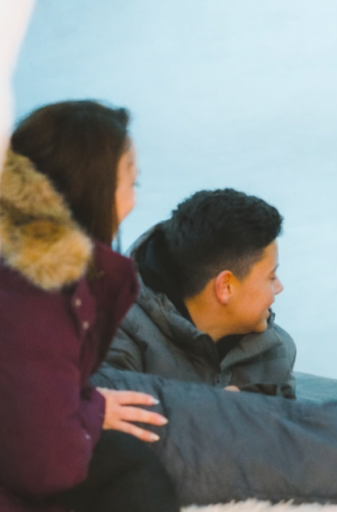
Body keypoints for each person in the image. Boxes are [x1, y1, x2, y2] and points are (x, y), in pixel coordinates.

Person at [0, 101, 179, 512]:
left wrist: (81, 405)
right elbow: (49, 465)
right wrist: (91, 408)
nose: (133, 201)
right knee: (130, 465)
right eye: (132, 183)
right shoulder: (36, 293)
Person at [101, 188, 296, 398]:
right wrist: (214, 411)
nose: (279, 287)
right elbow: (107, 426)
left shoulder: (277, 352)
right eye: (271, 277)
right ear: (226, 287)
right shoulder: (114, 335)